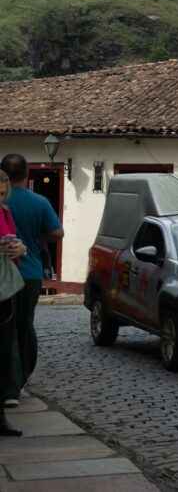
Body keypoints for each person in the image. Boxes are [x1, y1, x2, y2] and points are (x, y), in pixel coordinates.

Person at [1, 155, 62, 409]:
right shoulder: (39, 201)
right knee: (25, 326)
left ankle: (10, 384)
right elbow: (58, 232)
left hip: (8, 276)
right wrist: (38, 239)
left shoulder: (6, 204)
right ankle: (19, 379)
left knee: (8, 329)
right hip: (30, 274)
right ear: (26, 174)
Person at [0, 170, 27, 435]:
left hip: (6, 288)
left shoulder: (6, 212)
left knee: (5, 353)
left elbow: (19, 243)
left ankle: (0, 417)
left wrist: (19, 248)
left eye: (2, 193)